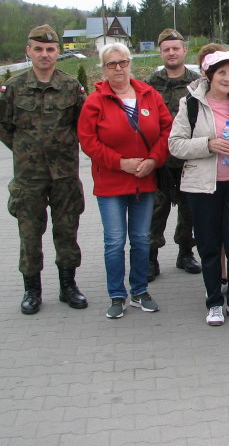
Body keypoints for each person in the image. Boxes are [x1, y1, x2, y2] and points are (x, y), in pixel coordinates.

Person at [78, 43, 172, 319]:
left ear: (130, 63)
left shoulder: (148, 94)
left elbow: (167, 129)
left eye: (123, 62)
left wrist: (154, 160)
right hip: (111, 184)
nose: (118, 68)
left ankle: (140, 291)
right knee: (115, 241)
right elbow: (88, 140)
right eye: (111, 64)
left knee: (142, 239)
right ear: (104, 68)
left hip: (145, 181)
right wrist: (119, 162)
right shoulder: (96, 100)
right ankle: (117, 295)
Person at [0, 24, 87, 315]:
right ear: (29, 51)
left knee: (67, 231)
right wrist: (26, 150)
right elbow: (4, 126)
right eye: (38, 49)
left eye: (50, 49)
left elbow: (83, 126)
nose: (44, 54)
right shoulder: (13, 87)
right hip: (29, 177)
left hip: (64, 175)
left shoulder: (71, 85)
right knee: (29, 233)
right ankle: (32, 290)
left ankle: (68, 286)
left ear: (58, 52)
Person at [169, 51, 229, 326]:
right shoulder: (191, 103)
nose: (227, 79)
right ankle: (214, 303)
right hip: (202, 188)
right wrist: (208, 144)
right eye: (221, 73)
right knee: (208, 246)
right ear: (208, 75)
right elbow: (175, 144)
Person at [145, 28, 201, 281]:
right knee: (156, 210)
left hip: (190, 160)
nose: (171, 53)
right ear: (160, 52)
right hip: (160, 162)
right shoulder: (149, 85)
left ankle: (186, 252)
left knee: (189, 210)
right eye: (166, 49)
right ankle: (150, 257)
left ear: (184, 50)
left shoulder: (198, 83)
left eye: (175, 48)